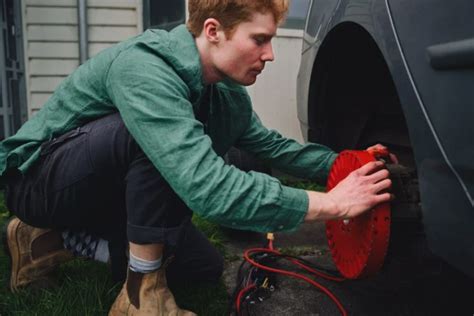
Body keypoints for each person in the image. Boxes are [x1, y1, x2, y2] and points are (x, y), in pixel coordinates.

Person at [0, 0, 393, 315]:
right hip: (37, 181)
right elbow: (208, 188)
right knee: (154, 140)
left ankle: (52, 240)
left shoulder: (226, 94)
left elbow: (272, 147)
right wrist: (332, 204)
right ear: (213, 32)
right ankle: (141, 298)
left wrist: (350, 164)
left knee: (200, 268)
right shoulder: (145, 69)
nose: (270, 54)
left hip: (101, 189)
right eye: (259, 39)